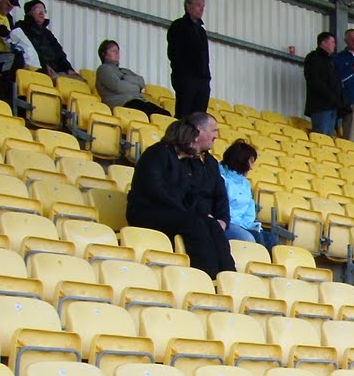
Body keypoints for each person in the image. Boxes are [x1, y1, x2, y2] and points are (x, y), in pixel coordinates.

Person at [125, 112, 234, 277]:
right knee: (194, 223)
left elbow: (191, 195)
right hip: (146, 211)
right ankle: (206, 275)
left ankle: (228, 275)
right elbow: (156, 191)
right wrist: (186, 212)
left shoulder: (186, 163)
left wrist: (205, 215)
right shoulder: (157, 153)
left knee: (211, 225)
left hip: (173, 212)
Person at [217, 141, 277, 248]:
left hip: (243, 224)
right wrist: (242, 225)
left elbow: (249, 208)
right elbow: (222, 209)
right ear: (241, 160)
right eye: (251, 162)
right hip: (227, 223)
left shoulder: (246, 183)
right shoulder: (220, 179)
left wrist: (247, 224)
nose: (251, 168)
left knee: (271, 238)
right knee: (255, 238)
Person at [9, 0, 80, 79]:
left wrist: (68, 68)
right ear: (28, 12)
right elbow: (28, 53)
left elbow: (59, 52)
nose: (41, 13)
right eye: (37, 10)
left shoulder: (47, 33)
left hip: (57, 71)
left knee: (81, 82)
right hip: (39, 71)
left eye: (43, 11)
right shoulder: (21, 29)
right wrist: (44, 67)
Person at [95, 40, 167, 116]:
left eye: (118, 51)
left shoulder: (125, 71)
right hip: (122, 104)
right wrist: (137, 88)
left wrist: (126, 78)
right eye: (113, 51)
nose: (117, 53)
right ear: (104, 54)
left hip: (136, 101)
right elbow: (118, 86)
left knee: (166, 114)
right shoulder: (103, 69)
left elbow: (141, 82)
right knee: (158, 114)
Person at [166, 0, 210, 117]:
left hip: (202, 80)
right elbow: (174, 53)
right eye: (198, 5)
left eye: (203, 6)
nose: (201, 9)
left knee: (199, 117)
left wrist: (206, 78)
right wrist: (183, 74)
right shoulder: (178, 26)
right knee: (184, 113)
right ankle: (181, 136)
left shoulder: (201, 31)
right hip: (186, 78)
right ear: (188, 6)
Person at [302, 31, 346, 136]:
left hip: (332, 106)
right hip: (320, 106)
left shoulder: (331, 61)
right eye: (332, 42)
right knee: (321, 137)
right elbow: (314, 80)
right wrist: (331, 96)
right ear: (324, 42)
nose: (334, 45)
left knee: (328, 140)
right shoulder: (313, 57)